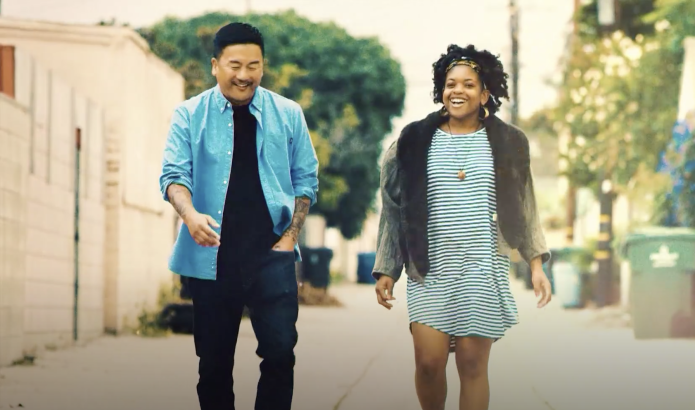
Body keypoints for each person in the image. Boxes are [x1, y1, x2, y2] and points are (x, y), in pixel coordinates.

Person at [372, 44, 552, 410]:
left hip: (482, 268)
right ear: (441, 90)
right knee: (428, 364)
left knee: (472, 366)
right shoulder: (412, 141)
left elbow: (526, 206)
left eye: (469, 85)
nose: (458, 91)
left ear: (485, 94)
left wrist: (536, 264)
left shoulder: (509, 142)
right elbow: (393, 209)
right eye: (450, 84)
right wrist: (388, 267)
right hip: (429, 270)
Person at [159, 22, 319, 410]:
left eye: (253, 65)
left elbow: (306, 179)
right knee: (214, 365)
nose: (244, 75)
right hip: (212, 256)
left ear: (263, 66)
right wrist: (190, 216)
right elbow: (173, 176)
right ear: (215, 65)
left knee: (280, 354)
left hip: (272, 255)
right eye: (235, 65)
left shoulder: (288, 113)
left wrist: (290, 237)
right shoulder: (189, 114)